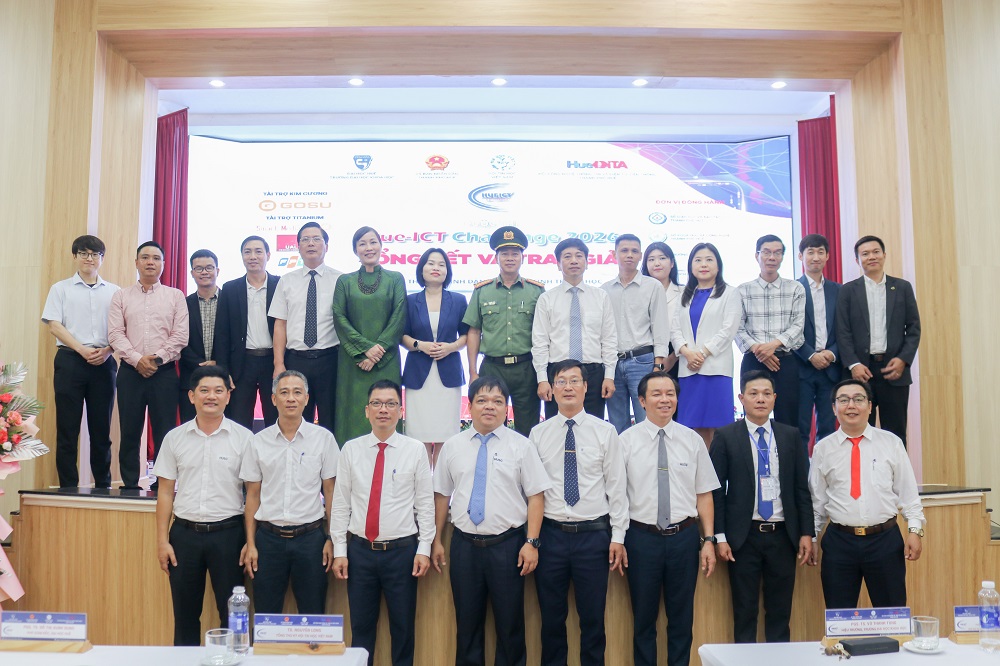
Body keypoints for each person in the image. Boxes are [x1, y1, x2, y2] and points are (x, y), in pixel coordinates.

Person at [431, 376, 550, 666]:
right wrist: (435, 540)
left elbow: (536, 496)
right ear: (470, 406)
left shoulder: (521, 446)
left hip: (507, 547)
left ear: (506, 408)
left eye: (498, 401)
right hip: (464, 546)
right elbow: (441, 496)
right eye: (482, 400)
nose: (489, 407)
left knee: (510, 627)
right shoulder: (453, 446)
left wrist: (532, 542)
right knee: (467, 626)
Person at [529, 360, 628, 666]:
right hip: (551, 537)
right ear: (552, 389)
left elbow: (617, 488)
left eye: (574, 381)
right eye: (561, 381)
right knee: (551, 621)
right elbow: (532, 491)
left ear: (586, 387)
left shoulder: (605, 432)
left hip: (593, 537)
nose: (568, 387)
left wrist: (618, 537)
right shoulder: (538, 434)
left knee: (593, 621)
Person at [331, 380, 434, 666]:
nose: (383, 409)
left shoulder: (415, 450)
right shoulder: (351, 450)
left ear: (400, 411)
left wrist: (424, 548)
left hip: (402, 553)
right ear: (367, 411)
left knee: (403, 629)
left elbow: (425, 504)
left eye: (390, 404)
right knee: (361, 630)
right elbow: (340, 504)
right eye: (376, 403)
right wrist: (340, 551)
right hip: (360, 553)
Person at [620, 370, 719, 666]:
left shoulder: (692, 440)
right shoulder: (625, 441)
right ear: (642, 400)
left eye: (670, 394)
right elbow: (617, 496)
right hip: (641, 539)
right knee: (643, 621)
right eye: (657, 394)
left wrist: (709, 539)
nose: (665, 400)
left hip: (684, 538)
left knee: (681, 620)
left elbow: (704, 494)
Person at [709, 370, 813, 644]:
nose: (760, 399)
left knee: (780, 614)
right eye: (753, 394)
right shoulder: (726, 436)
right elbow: (716, 491)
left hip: (783, 536)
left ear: (775, 398)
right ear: (741, 398)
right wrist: (720, 536)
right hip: (743, 538)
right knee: (744, 613)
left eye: (767, 394)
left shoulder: (790, 435)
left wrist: (807, 533)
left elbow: (801, 489)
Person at [153, 366, 252, 646]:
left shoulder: (245, 438)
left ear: (228, 396)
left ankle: (233, 661)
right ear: (191, 396)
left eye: (219, 391)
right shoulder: (174, 438)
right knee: (185, 616)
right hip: (184, 536)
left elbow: (254, 494)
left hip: (229, 535)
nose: (211, 396)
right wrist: (162, 541)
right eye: (204, 390)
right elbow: (165, 492)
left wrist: (250, 541)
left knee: (232, 615)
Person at [808, 378, 924, 608]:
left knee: (892, 614)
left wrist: (915, 530)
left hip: (885, 540)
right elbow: (817, 502)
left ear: (870, 407)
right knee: (840, 616)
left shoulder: (891, 442)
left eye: (858, 399)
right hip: (839, 542)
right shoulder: (823, 449)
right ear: (834, 407)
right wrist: (812, 537)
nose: (851, 405)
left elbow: (908, 493)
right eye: (843, 400)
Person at [239, 370, 339, 614]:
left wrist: (331, 539)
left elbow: (331, 493)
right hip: (268, 540)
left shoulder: (324, 439)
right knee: (265, 616)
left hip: (311, 539)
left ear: (307, 398)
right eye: (284, 392)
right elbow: (252, 496)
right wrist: (251, 543)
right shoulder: (258, 441)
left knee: (313, 614)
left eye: (297, 392)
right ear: (274, 399)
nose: (291, 398)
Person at [108, 241, 188, 490]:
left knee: (165, 430)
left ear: (163, 264)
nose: (150, 262)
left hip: (164, 373)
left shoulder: (175, 296)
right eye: (145, 257)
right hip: (130, 372)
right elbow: (115, 333)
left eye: (156, 258)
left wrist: (156, 359)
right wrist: (137, 359)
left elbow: (180, 335)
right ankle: (130, 484)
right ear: (136, 263)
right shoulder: (121, 296)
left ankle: (162, 482)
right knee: (130, 430)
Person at [41, 235, 119, 489]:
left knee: (101, 430)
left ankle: (103, 486)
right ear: (75, 256)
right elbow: (54, 325)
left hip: (104, 362)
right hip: (70, 360)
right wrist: (82, 349)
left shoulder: (114, 292)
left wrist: (108, 350)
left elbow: (121, 329)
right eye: (84, 253)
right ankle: (68, 487)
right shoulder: (60, 288)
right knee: (67, 430)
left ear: (102, 259)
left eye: (95, 254)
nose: (89, 258)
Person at [836, 235, 921, 447]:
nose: (871, 257)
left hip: (894, 370)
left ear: (884, 255)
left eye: (876, 252)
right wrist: (853, 364)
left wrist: (903, 359)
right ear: (857, 260)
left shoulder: (902, 287)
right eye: (865, 254)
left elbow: (914, 328)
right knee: (859, 433)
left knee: (896, 434)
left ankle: (894, 471)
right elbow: (842, 331)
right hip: (860, 373)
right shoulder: (847, 290)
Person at [464, 226, 545, 438]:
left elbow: (544, 333)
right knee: (489, 426)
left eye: (515, 254)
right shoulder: (482, 291)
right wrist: (473, 372)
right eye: (504, 254)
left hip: (526, 368)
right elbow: (474, 332)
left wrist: (543, 373)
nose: (510, 258)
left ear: (522, 258)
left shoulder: (536, 291)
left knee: (528, 429)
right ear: (496, 258)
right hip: (492, 367)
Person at [332, 226, 407, 445]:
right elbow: (339, 318)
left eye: (373, 242)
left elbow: (399, 317)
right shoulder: (344, 281)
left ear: (381, 246)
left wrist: (376, 352)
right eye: (362, 243)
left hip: (387, 360)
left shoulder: (395, 279)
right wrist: (365, 350)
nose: (368, 248)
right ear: (355, 250)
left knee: (386, 411)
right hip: (353, 362)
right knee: (352, 416)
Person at [269, 222, 342, 434]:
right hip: (296, 360)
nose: (311, 243)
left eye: (316, 239)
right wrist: (278, 364)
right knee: (296, 420)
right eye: (305, 239)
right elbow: (280, 324)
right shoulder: (286, 281)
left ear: (326, 246)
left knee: (330, 419)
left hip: (330, 359)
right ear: (298, 246)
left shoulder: (341, 280)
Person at [532, 239, 618, 419]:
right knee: (557, 427)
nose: (574, 261)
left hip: (593, 374)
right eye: (567, 256)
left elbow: (609, 339)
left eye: (579, 256)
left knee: (593, 427)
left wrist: (609, 376)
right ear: (558, 264)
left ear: (587, 262)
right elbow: (540, 342)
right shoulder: (547, 299)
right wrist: (542, 379)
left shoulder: (601, 297)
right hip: (558, 373)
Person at [670, 243, 742, 447]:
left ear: (718, 266)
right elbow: (675, 329)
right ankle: (699, 467)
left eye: (709, 260)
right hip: (689, 370)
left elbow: (728, 330)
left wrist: (700, 354)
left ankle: (718, 467)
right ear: (691, 266)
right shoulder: (684, 295)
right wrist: (686, 352)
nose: (704, 264)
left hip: (716, 369)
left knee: (718, 427)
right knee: (693, 425)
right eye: (698, 260)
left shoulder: (730, 293)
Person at [402, 248, 468, 464]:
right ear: (421, 269)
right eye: (431, 263)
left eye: (441, 264)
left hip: (447, 374)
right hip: (418, 375)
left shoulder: (458, 300)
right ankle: (421, 482)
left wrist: (451, 347)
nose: (436, 268)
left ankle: (440, 484)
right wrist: (419, 345)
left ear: (447, 271)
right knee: (417, 437)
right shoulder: (410, 301)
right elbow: (402, 335)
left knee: (445, 437)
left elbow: (467, 335)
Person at [735, 234, 806, 429]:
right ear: (757, 256)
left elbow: (798, 326)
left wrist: (772, 346)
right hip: (753, 361)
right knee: (752, 418)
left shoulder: (795, 288)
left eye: (777, 253)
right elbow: (738, 328)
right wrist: (760, 351)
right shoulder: (742, 290)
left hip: (785, 361)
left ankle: (785, 452)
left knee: (788, 419)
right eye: (766, 252)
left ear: (782, 257)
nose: (772, 257)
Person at [602, 234, 670, 434]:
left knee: (647, 422)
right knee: (617, 425)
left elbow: (660, 328)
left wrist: (658, 365)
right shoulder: (604, 290)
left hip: (643, 362)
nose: (629, 255)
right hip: (612, 364)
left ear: (641, 256)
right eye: (624, 250)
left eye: (634, 251)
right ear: (614, 255)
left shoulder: (653, 286)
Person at [215, 235, 280, 430]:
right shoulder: (230, 288)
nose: (253, 256)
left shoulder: (281, 285)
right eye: (247, 252)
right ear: (242, 256)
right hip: (242, 364)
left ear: (268, 255)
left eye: (258, 251)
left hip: (272, 361)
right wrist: (224, 371)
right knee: (239, 421)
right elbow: (222, 333)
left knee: (275, 419)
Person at [794, 234, 841, 451]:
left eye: (820, 252)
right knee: (800, 428)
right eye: (810, 252)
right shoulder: (793, 289)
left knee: (829, 428)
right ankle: (802, 473)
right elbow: (790, 330)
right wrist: (811, 355)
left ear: (827, 256)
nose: (815, 257)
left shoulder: (839, 290)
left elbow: (845, 330)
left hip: (830, 368)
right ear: (800, 256)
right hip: (802, 367)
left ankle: (826, 470)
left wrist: (831, 353)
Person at [179, 249, 221, 423]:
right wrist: (200, 364)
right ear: (192, 273)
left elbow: (235, 338)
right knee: (190, 429)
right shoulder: (182, 304)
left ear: (217, 271)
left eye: (209, 267)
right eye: (199, 268)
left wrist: (218, 362)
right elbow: (179, 339)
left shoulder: (230, 301)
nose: (204, 272)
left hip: (223, 376)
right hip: (191, 377)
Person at [641, 241, 683, 378]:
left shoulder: (685, 292)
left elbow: (689, 330)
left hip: (678, 353)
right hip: (644, 354)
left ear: (672, 263)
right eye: (651, 259)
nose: (657, 263)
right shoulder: (638, 294)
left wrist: (673, 357)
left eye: (662, 258)